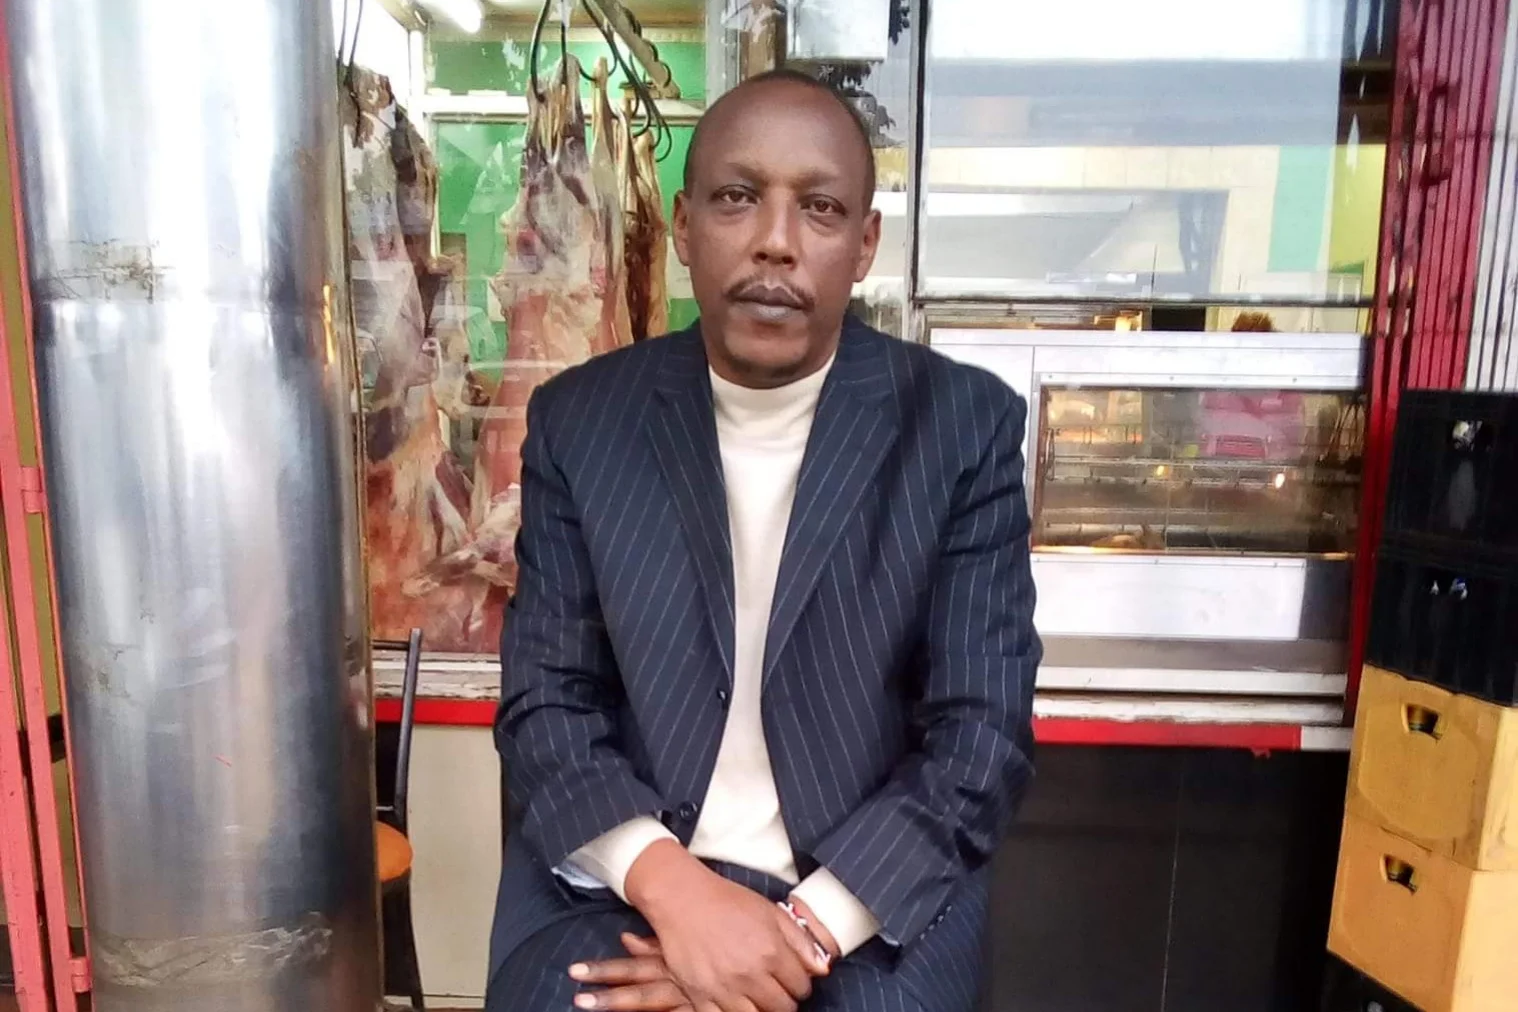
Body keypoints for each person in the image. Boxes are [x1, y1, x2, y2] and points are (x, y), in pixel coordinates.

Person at [486, 69, 1041, 1012]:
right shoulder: (583, 421)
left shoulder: (958, 427)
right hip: (627, 882)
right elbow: (547, 702)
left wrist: (794, 933)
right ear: (684, 223)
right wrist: (680, 896)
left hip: (859, 903)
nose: (776, 241)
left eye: (820, 208)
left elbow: (980, 734)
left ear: (864, 244)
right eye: (738, 197)